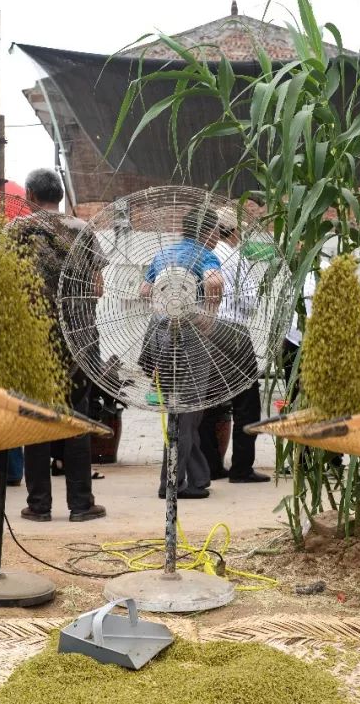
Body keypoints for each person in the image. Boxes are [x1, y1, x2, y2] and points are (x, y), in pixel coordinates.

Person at [17, 168, 105, 522]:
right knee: (77, 418)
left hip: (34, 337)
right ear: (59, 196)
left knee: (36, 418)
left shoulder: (18, 231)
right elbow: (98, 285)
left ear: (29, 195)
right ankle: (81, 504)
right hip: (78, 337)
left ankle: (39, 505)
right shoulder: (82, 231)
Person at [139, 206, 223, 499]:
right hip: (191, 338)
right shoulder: (205, 255)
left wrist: (165, 308)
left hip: (161, 336)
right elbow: (214, 281)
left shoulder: (163, 255)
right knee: (186, 411)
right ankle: (172, 482)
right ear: (208, 232)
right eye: (216, 233)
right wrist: (206, 315)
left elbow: (144, 290)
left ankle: (198, 478)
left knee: (184, 409)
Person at [199, 212, 269, 483]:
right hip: (233, 331)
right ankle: (241, 468)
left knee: (210, 400)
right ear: (233, 232)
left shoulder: (201, 255)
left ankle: (210, 466)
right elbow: (249, 304)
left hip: (205, 329)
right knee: (247, 402)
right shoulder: (235, 258)